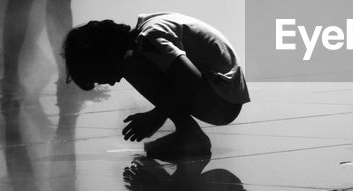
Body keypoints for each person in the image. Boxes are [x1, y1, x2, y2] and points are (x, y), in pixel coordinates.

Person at [63, 12, 249, 159]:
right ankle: (188, 133)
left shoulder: (148, 38)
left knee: (130, 64)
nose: (111, 82)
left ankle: (191, 135)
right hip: (222, 94)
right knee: (131, 61)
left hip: (223, 99)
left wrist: (155, 117)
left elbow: (191, 77)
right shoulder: (145, 32)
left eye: (101, 76)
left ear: (104, 56)